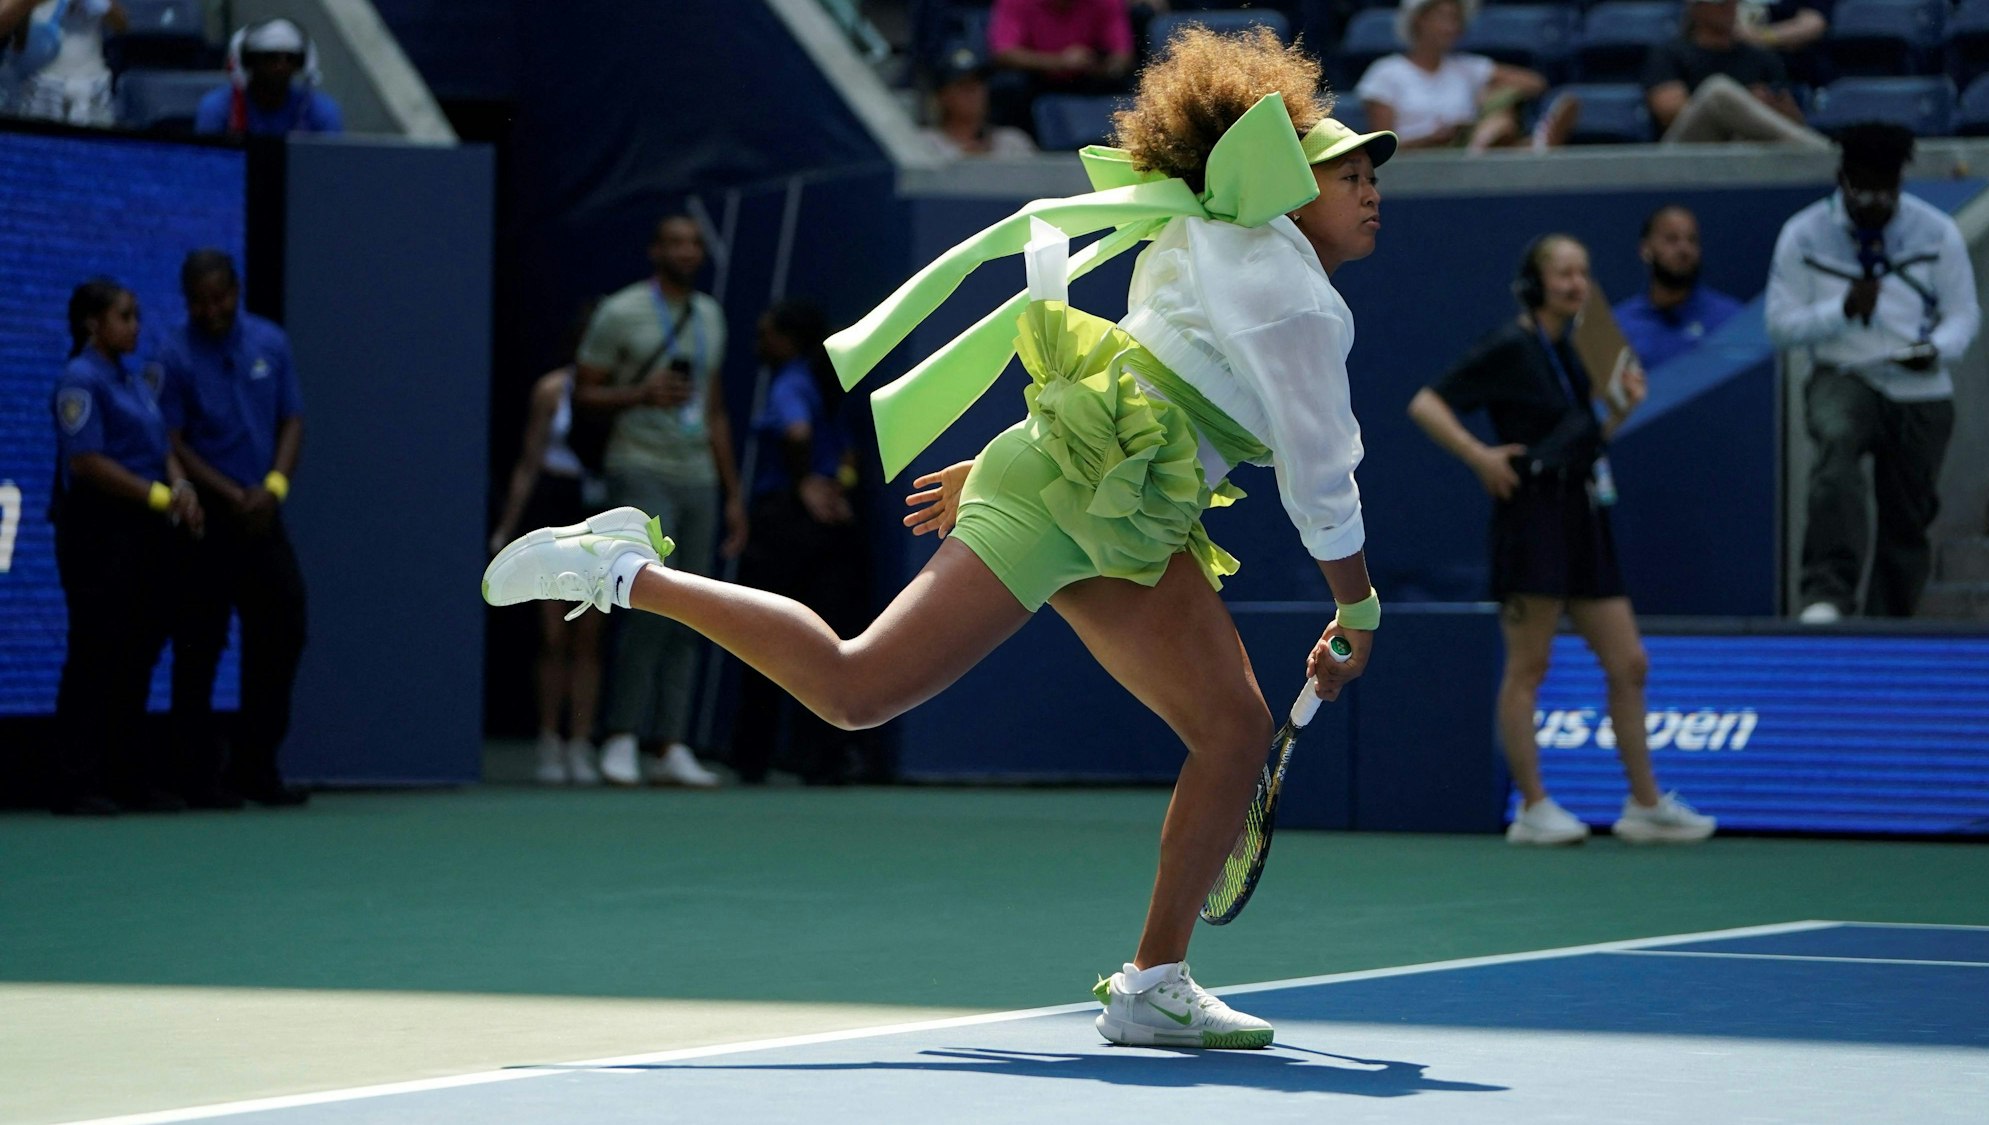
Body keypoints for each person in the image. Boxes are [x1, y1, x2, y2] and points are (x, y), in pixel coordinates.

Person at [489, 25, 1390, 1049]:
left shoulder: (1201, 231)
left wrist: (1022, 456)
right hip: (1086, 492)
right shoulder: (1293, 297)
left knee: (1193, 728)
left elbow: (1150, 364)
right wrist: (1354, 604)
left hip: (1096, 492)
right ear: (1281, 176)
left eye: (1372, 175)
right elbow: (1320, 472)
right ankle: (626, 567)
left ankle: (1153, 984)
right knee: (865, 688)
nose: (1367, 189)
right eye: (1343, 170)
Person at [1407, 234, 1717, 847]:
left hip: (1585, 512)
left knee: (1629, 663)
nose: (1577, 284)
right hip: (1532, 516)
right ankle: (1533, 807)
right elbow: (1427, 403)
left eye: (1584, 272)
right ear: (1535, 282)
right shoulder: (1509, 346)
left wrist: (1624, 407)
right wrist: (1478, 456)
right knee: (1531, 666)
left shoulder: (1580, 348)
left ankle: (1644, 806)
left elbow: (1589, 432)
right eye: (1564, 273)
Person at [1766, 123, 1981, 623]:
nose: (1875, 201)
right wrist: (1841, 311)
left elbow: (1964, 314)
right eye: (1864, 189)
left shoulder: (1936, 232)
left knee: (1910, 509)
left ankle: (1892, 617)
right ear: (1842, 179)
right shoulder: (1803, 235)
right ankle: (1827, 594)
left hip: (1921, 384)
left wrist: (1937, 348)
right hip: (1844, 371)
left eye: (1887, 190)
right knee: (1837, 450)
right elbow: (1779, 326)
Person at [572, 215, 741, 788]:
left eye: (695, 243)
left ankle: (672, 744)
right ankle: (621, 736)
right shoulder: (619, 312)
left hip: (697, 474)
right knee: (647, 600)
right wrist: (640, 393)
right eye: (674, 242)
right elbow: (583, 393)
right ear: (654, 250)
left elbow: (714, 409)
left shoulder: (712, 316)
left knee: (697, 609)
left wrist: (733, 494)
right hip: (638, 466)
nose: (686, 251)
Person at [157, 250, 310, 807]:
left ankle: (257, 767)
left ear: (237, 290)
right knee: (199, 645)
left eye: (219, 297)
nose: (211, 309)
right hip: (208, 522)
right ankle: (196, 777)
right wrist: (226, 493)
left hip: (263, 514)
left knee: (284, 629)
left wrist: (273, 488)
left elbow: (292, 419)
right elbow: (172, 442)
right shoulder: (173, 354)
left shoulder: (270, 342)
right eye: (199, 301)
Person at [49, 279, 204, 815]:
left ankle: (125, 776)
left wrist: (181, 487)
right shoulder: (80, 379)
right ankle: (76, 782)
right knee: (95, 653)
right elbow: (87, 463)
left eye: (137, 315)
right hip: (97, 532)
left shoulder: (134, 381)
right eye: (124, 316)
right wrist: (162, 495)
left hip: (144, 535)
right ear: (93, 323)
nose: (135, 325)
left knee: (136, 656)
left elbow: (163, 446)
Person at [730, 299, 872, 786]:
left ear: (788, 340)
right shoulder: (829, 388)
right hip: (831, 526)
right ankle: (822, 757)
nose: (758, 345)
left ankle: (753, 760)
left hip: (787, 524)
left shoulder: (790, 380)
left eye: (765, 335)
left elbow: (796, 431)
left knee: (762, 637)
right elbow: (849, 455)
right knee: (831, 640)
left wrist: (806, 483)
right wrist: (839, 487)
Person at [489, 303, 609, 787]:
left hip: (600, 514)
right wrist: (507, 528)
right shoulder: (550, 390)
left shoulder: (620, 392)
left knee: (590, 637)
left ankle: (581, 744)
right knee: (553, 634)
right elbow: (528, 462)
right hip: (554, 509)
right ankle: (548, 740)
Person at [1356, 0, 1560, 153]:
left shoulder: (1468, 68)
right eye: (1444, 18)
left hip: (1465, 155)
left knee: (1501, 115)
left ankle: (1516, 147)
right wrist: (1431, 139)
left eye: (1456, 19)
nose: (1452, 28)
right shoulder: (1384, 73)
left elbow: (1535, 83)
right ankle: (1531, 148)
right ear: (1420, 20)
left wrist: (1490, 93)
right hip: (1414, 167)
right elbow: (1382, 149)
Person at [1641, 0, 1824, 146]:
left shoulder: (1762, 58)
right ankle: (1826, 156)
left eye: (1731, 1)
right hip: (1689, 154)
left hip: (1748, 151)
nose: (1727, 7)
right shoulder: (1670, 53)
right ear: (1696, 8)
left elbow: (1790, 122)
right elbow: (1669, 112)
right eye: (1718, 3)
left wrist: (1773, 108)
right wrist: (1745, 105)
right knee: (1718, 92)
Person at [1612, 204, 1744, 370]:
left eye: (1692, 240)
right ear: (1645, 249)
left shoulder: (1732, 320)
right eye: (1671, 239)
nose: (1684, 249)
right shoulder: (1619, 326)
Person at [986, 0, 1134, 141]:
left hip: (1088, 76)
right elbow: (1003, 53)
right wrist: (1059, 61)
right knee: (1007, 85)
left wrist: (1101, 66)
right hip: (1036, 77)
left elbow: (1122, 56)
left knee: (1128, 83)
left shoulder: (1106, 2)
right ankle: (1023, 148)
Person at [194, 18, 343, 139]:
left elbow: (329, 168)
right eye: (271, 58)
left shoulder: (320, 111)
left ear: (302, 64)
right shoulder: (218, 108)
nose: (281, 66)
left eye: (290, 59)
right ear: (249, 62)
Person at [12, 0, 124, 126]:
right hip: (42, 85)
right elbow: (17, 44)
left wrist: (103, 5)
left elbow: (122, 25)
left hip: (91, 86)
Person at [920, 44, 1038, 160]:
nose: (973, 92)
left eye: (978, 84)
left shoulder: (1013, 143)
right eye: (963, 85)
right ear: (942, 96)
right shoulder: (925, 144)